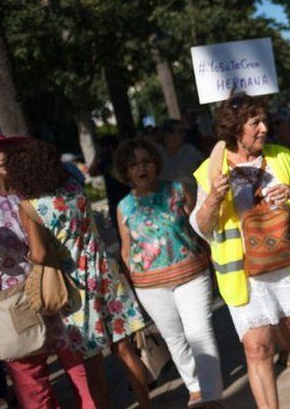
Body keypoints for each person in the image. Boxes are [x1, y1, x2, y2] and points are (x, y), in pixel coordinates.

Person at [190, 94, 290, 409]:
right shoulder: (212, 168)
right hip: (244, 275)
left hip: (284, 264)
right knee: (258, 349)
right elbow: (201, 226)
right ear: (236, 128)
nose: (264, 129)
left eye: (265, 121)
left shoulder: (280, 157)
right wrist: (213, 199)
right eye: (255, 123)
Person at [8, 138, 151, 408]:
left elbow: (39, 254)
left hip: (75, 288)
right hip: (105, 273)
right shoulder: (73, 188)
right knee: (124, 349)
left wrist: (25, 256)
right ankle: (146, 405)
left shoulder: (30, 206)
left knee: (93, 364)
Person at [0, 133, 95, 408]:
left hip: (53, 283)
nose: (1, 156)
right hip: (12, 298)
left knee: (77, 364)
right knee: (32, 381)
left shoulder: (33, 187)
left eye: (5, 150)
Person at [114, 138, 223, 406]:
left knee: (199, 330)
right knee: (174, 338)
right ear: (125, 171)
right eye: (134, 164)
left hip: (192, 275)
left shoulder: (177, 189)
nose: (141, 169)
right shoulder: (124, 206)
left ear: (156, 164)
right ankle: (194, 387)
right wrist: (131, 282)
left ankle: (211, 394)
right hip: (150, 286)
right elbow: (126, 249)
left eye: (146, 162)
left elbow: (197, 225)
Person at [158, 119, 205, 197]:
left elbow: (205, 170)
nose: (183, 135)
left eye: (183, 131)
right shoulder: (157, 154)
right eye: (180, 131)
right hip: (167, 200)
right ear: (168, 134)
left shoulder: (191, 151)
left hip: (193, 198)